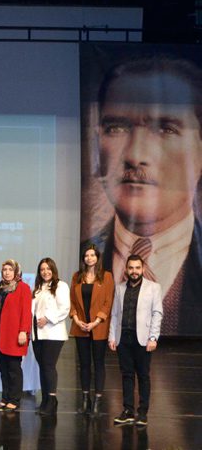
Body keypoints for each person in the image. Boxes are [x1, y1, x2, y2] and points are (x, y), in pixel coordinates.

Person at [82, 55, 202, 335]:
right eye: (117, 128)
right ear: (97, 144)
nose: (135, 155)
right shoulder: (85, 259)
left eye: (166, 129)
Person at [109, 254, 163, 427]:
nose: (134, 271)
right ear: (126, 269)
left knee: (143, 376)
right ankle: (128, 410)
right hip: (123, 338)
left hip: (143, 339)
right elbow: (114, 314)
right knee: (126, 375)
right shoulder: (119, 288)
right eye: (131, 268)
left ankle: (142, 412)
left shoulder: (153, 288)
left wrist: (153, 337)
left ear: (143, 269)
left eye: (137, 268)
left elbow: (157, 313)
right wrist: (112, 336)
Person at [69, 244, 114, 415]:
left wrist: (95, 322)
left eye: (92, 255)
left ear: (97, 257)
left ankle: (97, 401)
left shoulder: (106, 276)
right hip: (80, 326)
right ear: (83, 259)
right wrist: (77, 320)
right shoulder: (77, 276)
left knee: (99, 364)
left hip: (98, 327)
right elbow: (72, 301)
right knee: (84, 365)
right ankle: (85, 399)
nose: (89, 258)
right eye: (86, 255)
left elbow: (108, 302)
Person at [31, 257, 71, 416]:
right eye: (42, 269)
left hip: (53, 333)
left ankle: (52, 400)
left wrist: (47, 318)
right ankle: (45, 400)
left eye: (48, 268)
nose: (45, 272)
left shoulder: (61, 286)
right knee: (43, 367)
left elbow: (65, 308)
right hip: (38, 334)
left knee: (48, 366)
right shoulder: (38, 288)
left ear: (53, 270)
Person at [0, 259, 31, 412]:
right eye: (4, 270)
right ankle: (5, 398)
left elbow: (26, 311)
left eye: (10, 270)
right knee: (3, 370)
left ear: (16, 272)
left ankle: (14, 399)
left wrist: (23, 331)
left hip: (14, 334)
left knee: (14, 369)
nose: (7, 273)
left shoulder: (23, 288)